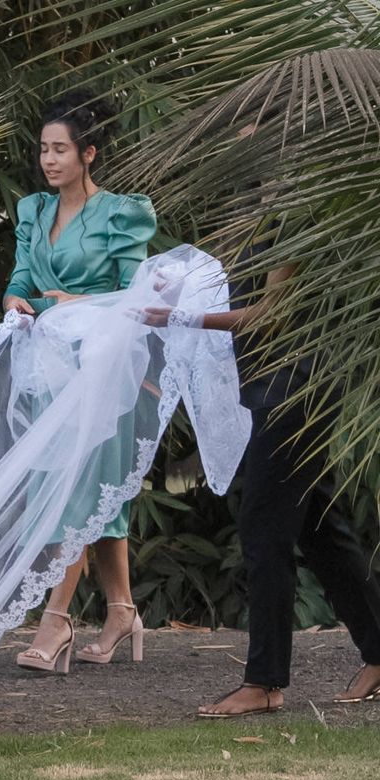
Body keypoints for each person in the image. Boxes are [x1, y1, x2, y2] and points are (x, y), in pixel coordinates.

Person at [146, 251, 380, 717]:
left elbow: (271, 316)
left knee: (263, 532)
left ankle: (265, 682)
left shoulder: (296, 212)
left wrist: (182, 315)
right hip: (282, 387)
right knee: (321, 532)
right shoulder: (258, 213)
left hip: (293, 392)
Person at [2, 93, 158, 673]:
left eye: (60, 149)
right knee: (100, 491)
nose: (49, 159)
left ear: (88, 153)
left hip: (102, 369)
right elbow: (19, 277)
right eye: (43, 148)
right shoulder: (31, 212)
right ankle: (121, 610)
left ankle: (57, 620)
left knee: (78, 488)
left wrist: (78, 300)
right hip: (48, 369)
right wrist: (16, 299)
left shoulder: (122, 213)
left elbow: (135, 294)